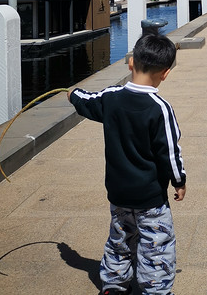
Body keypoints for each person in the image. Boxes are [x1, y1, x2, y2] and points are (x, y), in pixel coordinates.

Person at [67, 33, 186, 295]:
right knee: (156, 247)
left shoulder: (111, 98)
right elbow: (169, 151)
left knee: (120, 241)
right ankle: (154, 289)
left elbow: (86, 102)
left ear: (131, 63)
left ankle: (113, 286)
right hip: (150, 198)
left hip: (119, 193)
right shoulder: (160, 108)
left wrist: (73, 94)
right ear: (165, 73)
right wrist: (179, 181)